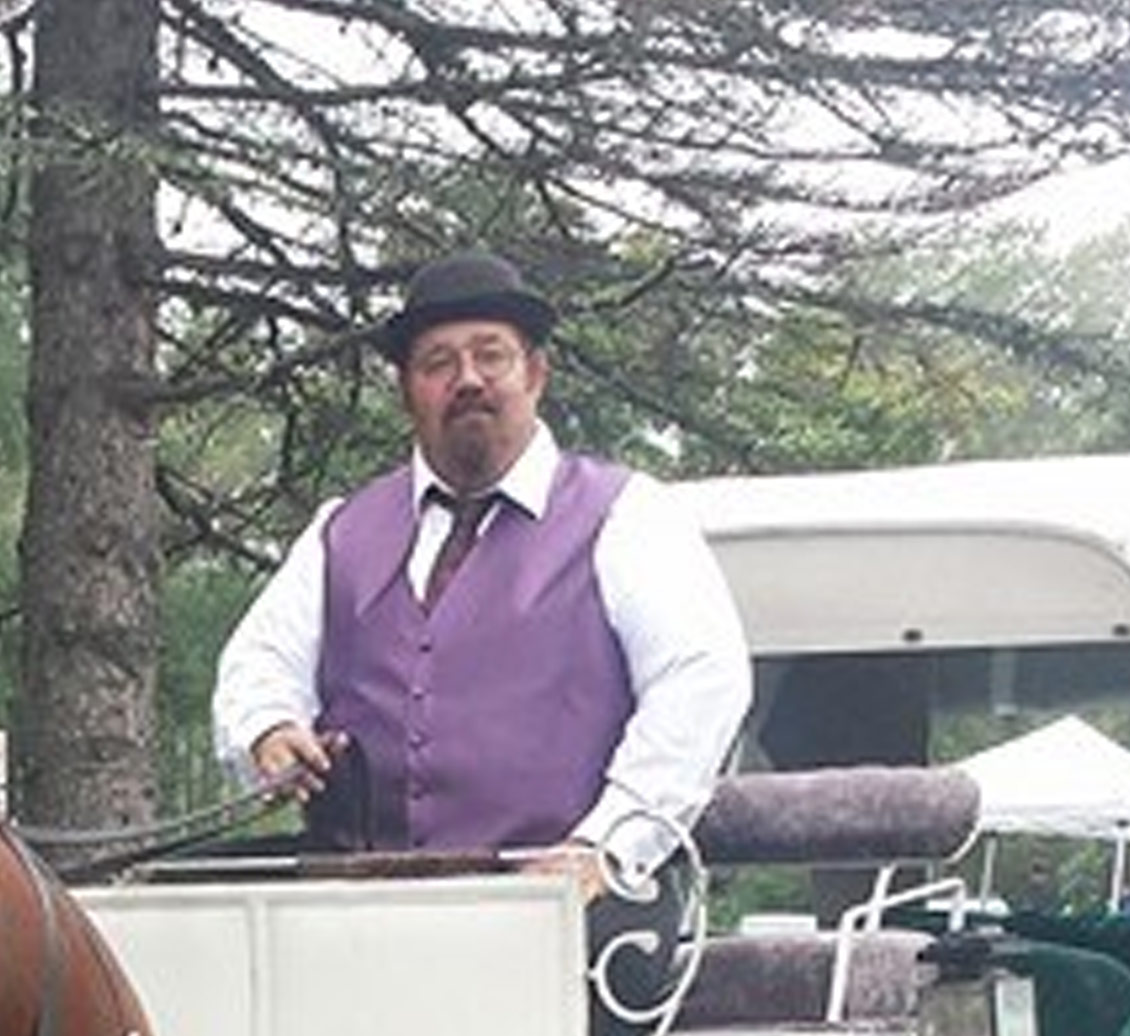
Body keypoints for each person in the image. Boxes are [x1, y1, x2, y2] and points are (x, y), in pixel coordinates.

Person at [212, 250, 750, 896]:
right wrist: (269, 730)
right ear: (407, 390)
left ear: (536, 375)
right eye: (438, 363)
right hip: (358, 926)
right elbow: (258, 666)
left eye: (491, 355)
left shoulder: (630, 518)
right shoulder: (339, 534)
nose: (467, 378)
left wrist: (603, 847)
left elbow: (701, 684)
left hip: (576, 925)